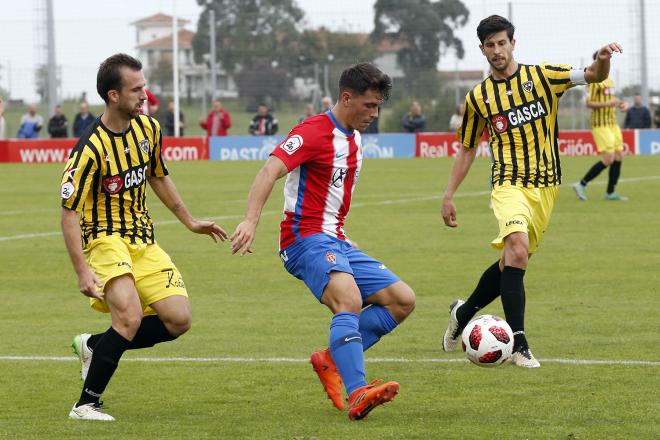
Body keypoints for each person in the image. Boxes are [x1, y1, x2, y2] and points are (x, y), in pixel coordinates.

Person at [230, 63, 415, 420]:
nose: (374, 114)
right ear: (346, 98)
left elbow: (330, 199)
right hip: (302, 238)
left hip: (335, 238)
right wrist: (250, 220)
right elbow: (270, 169)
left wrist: (344, 240)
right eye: (368, 106)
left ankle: (331, 359)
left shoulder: (356, 138)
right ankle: (358, 391)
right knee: (349, 298)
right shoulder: (313, 131)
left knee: (401, 300)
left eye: (378, 107)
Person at [440, 15, 622, 368]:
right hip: (508, 183)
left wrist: (603, 58)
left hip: (546, 186)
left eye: (502, 43)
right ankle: (520, 343)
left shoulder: (544, 76)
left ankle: (465, 313)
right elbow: (466, 148)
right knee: (518, 249)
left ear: (513, 43)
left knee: (513, 261)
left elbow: (593, 76)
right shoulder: (479, 97)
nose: (497, 50)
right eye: (490, 45)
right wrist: (448, 194)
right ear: (482, 49)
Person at [60, 53, 227, 421]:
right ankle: (85, 404)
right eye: (136, 89)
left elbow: (158, 175)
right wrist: (82, 273)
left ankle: (93, 346)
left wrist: (190, 221)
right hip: (105, 240)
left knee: (178, 319)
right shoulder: (89, 149)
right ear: (113, 95)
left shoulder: (148, 129)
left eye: (144, 86)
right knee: (130, 318)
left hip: (143, 240)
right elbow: (69, 211)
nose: (145, 95)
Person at [571, 52, 628, 201]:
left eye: (609, 59)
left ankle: (610, 192)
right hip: (600, 124)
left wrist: (621, 103)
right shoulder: (593, 80)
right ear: (597, 61)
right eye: (604, 59)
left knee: (619, 155)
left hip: (612, 123)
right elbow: (588, 103)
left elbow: (611, 99)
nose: (607, 61)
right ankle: (581, 184)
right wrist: (608, 104)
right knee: (608, 158)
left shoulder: (610, 81)